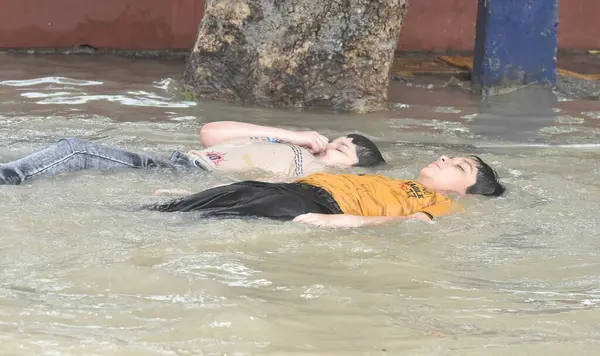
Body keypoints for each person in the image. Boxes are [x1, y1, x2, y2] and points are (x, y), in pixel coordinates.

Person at [145, 155, 506, 228]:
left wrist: (345, 222)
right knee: (168, 210)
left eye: (459, 167)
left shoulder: (445, 204)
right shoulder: (395, 181)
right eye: (450, 156)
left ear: (468, 193)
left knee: (201, 223)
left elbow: (408, 222)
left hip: (317, 204)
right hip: (290, 189)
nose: (444, 158)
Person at [0, 121, 385, 185]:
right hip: (174, 165)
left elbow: (254, 189)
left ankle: (8, 177)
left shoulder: (312, 175)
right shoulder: (289, 147)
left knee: (73, 151)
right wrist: (289, 134)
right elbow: (210, 132)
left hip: (184, 178)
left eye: (340, 149)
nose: (326, 146)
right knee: (71, 152)